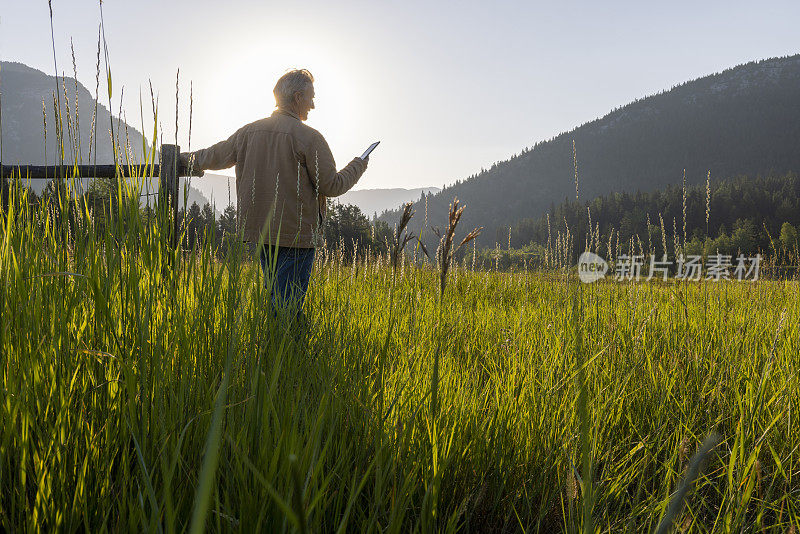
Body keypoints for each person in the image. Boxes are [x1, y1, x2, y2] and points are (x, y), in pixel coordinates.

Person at [181, 69, 368, 320]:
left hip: (262, 234)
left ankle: (275, 352)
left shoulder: (248, 132)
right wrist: (359, 164)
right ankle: (294, 356)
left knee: (276, 301)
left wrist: (179, 160)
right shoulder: (309, 138)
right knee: (288, 309)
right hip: (296, 236)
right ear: (298, 97)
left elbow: (212, 156)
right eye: (311, 97)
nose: (313, 105)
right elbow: (331, 186)